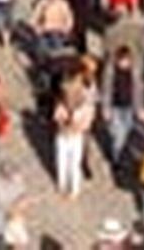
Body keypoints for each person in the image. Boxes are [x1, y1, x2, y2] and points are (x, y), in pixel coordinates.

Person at [53, 56, 99, 196]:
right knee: (62, 159)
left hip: (78, 130)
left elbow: (91, 105)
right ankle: (62, 184)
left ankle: (74, 187)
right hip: (64, 133)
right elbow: (57, 115)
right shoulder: (68, 90)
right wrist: (63, 118)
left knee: (75, 160)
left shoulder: (89, 86)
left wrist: (79, 121)